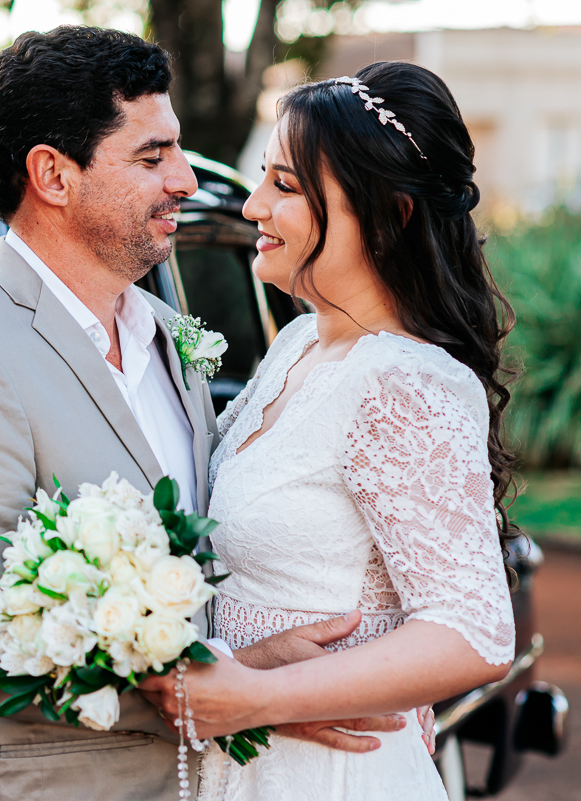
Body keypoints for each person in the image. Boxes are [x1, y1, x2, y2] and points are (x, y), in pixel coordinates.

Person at [0, 27, 415, 801]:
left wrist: (250, 666)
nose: (187, 180)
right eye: (151, 155)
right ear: (53, 175)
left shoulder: (169, 337)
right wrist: (222, 691)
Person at [139, 62, 517, 800]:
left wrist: (253, 698)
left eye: (284, 185)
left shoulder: (404, 381)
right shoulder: (300, 344)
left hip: (335, 775)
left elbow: (473, 631)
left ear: (389, 214)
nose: (252, 206)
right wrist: (251, 666)